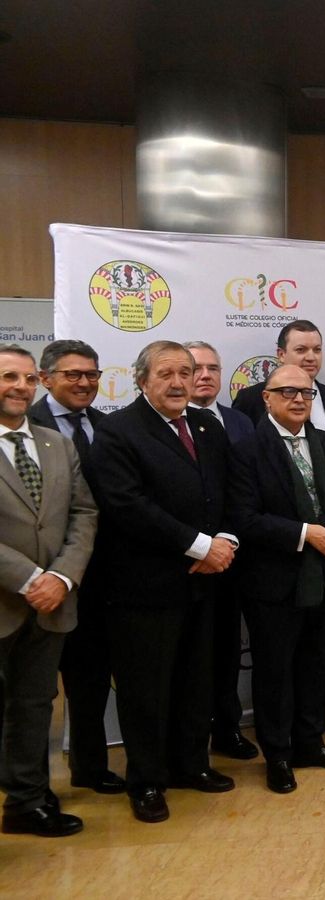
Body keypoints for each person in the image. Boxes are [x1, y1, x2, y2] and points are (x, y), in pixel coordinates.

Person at [90, 341, 238, 822]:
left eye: (186, 372)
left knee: (198, 680)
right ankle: (148, 782)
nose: (179, 382)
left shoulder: (207, 427)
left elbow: (227, 494)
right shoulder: (116, 432)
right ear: (141, 380)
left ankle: (191, 765)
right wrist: (199, 545)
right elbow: (127, 506)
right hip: (145, 588)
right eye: (166, 373)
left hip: (205, 581)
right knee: (146, 690)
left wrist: (226, 542)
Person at [228, 365, 325, 794]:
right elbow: (245, 518)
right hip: (273, 581)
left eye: (306, 393)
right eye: (287, 392)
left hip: (321, 577)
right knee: (275, 673)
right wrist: (305, 534)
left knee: (315, 665)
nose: (299, 399)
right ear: (267, 398)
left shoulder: (322, 443)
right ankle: (278, 756)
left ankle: (309, 744)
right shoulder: (246, 448)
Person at [0, 345, 96, 838]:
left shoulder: (57, 443)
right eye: (7, 378)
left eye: (25, 379)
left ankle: (26, 802)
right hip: (6, 599)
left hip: (53, 602)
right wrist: (28, 577)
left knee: (36, 705)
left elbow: (83, 513)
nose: (19, 387)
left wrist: (61, 577)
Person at [20, 340, 120, 795]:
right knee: (28, 695)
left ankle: (90, 767)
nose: (85, 383)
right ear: (46, 379)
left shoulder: (108, 426)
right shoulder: (24, 426)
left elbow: (97, 507)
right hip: (34, 584)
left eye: (92, 375)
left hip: (98, 580)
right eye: (73, 375)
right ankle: (23, 788)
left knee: (91, 682)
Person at [183, 340, 258, 762]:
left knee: (229, 651)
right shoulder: (169, 424)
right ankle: (191, 743)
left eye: (213, 367)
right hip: (190, 561)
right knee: (195, 657)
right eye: (195, 367)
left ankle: (228, 729)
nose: (205, 374)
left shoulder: (240, 421)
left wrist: (230, 542)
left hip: (240, 556)